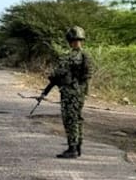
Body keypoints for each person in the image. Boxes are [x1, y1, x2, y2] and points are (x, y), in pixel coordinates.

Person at [38, 26, 95, 159]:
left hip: (70, 92)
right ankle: (77, 146)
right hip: (79, 92)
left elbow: (57, 74)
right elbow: (87, 75)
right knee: (77, 119)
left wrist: (58, 82)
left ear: (69, 40)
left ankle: (72, 148)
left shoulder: (68, 56)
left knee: (70, 120)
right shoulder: (85, 55)